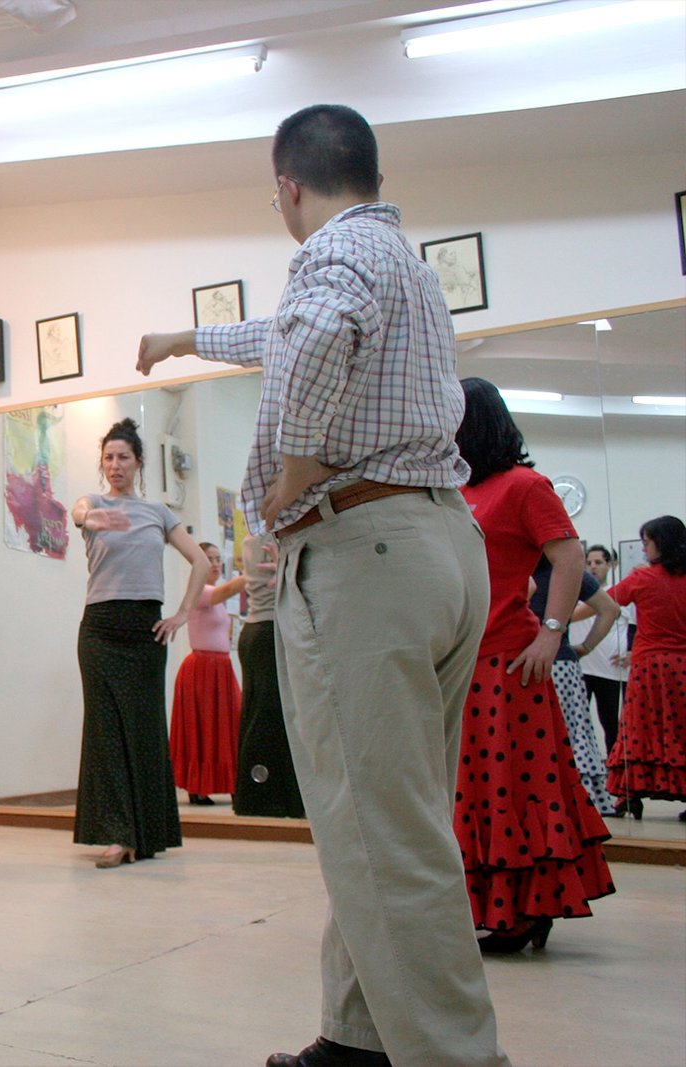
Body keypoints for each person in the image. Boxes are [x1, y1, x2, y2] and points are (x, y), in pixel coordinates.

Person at [136, 105, 509, 1067]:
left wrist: (282, 491)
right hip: (439, 543)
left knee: (384, 837)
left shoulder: (331, 260)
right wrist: (188, 336)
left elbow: (312, 336)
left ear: (288, 186)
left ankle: (459, 1058)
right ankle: (358, 1039)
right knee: (389, 817)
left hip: (365, 554)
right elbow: (291, 329)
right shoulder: (409, 266)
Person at [453, 378, 614, 952]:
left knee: (511, 789)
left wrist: (551, 633)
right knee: (472, 792)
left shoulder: (524, 485)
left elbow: (567, 556)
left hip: (508, 661)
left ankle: (525, 912)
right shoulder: (452, 490)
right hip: (459, 662)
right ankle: (488, 906)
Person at [70, 418, 209, 869]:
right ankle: (116, 834)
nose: (115, 465)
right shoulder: (92, 503)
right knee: (106, 732)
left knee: (145, 730)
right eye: (108, 458)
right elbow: (75, 512)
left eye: (123, 457)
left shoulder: (158, 512)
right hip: (100, 628)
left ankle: (146, 832)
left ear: (139, 462)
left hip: (146, 629)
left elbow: (201, 562)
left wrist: (182, 615)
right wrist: (90, 516)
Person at [604, 515, 686, 819]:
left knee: (638, 728)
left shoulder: (643, 579)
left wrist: (558, 620)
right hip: (683, 667)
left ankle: (628, 796)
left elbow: (605, 601)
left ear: (660, 543)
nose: (643, 550)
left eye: (646, 543)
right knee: (682, 729)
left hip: (649, 665)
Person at [530, 557, 620, 814]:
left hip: (522, 661)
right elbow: (609, 610)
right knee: (575, 731)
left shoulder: (517, 568)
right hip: (563, 662)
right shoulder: (569, 570)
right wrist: (585, 647)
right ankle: (586, 796)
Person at [232, 534, 305, 819]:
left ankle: (274, 798)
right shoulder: (265, 536)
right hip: (266, 632)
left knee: (271, 715)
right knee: (268, 716)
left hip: (264, 632)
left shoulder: (270, 535)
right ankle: (263, 799)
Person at [169, 542, 245, 805]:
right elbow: (232, 588)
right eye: (208, 559)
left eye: (216, 558)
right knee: (201, 727)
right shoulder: (199, 592)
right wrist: (256, 567)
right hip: (201, 670)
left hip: (221, 668)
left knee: (231, 725)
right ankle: (197, 785)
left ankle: (234, 781)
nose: (214, 563)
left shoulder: (217, 598)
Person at [570, 544, 629, 756]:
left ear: (612, 565)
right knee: (575, 723)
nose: (593, 567)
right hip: (581, 670)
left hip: (610, 671)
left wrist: (631, 652)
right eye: (589, 563)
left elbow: (634, 626)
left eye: (599, 562)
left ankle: (615, 772)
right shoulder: (572, 592)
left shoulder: (619, 593)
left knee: (611, 723)